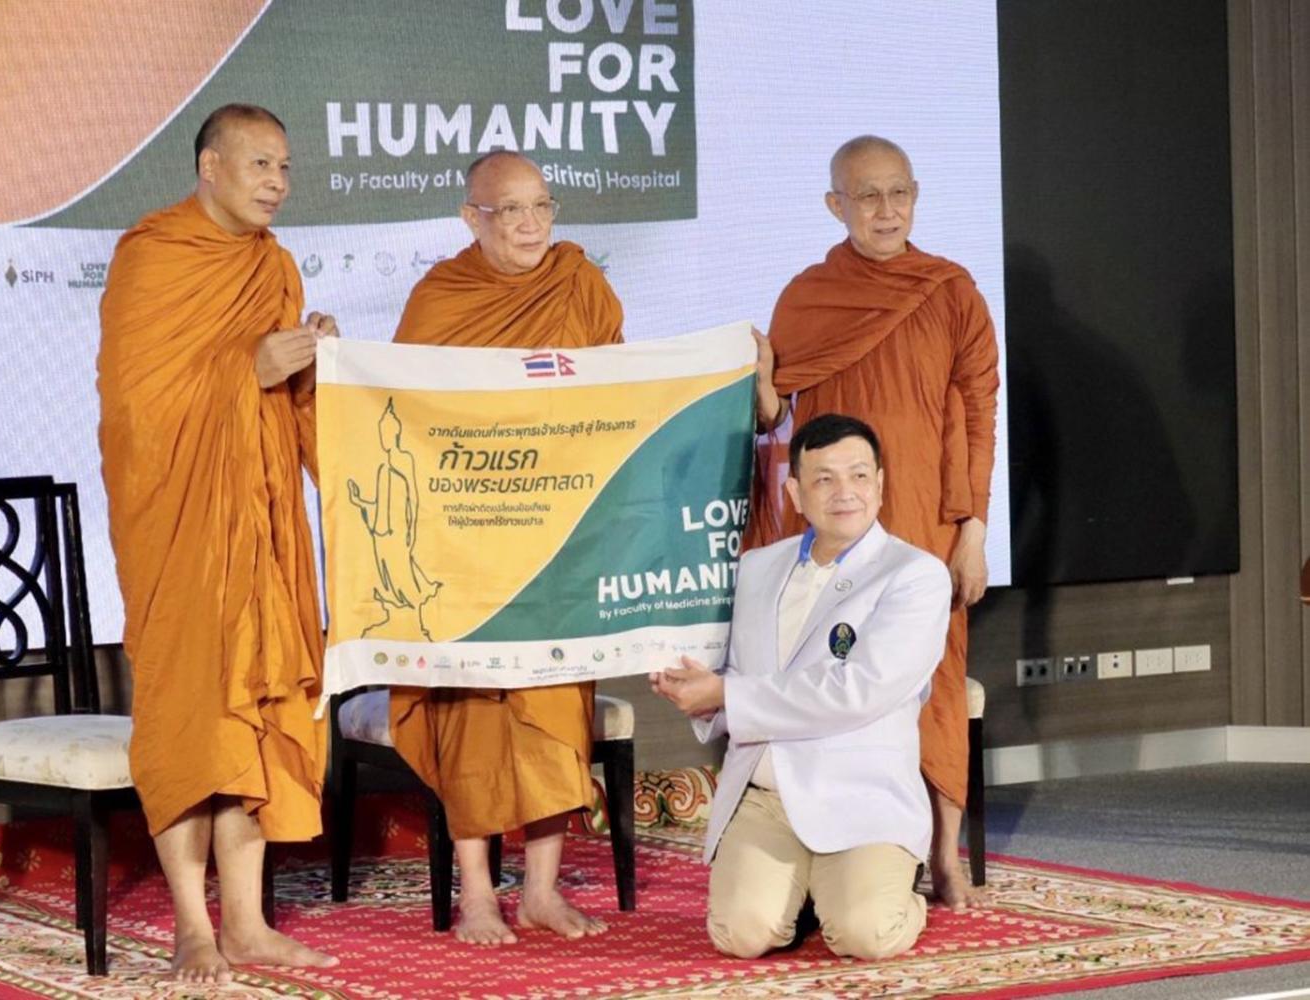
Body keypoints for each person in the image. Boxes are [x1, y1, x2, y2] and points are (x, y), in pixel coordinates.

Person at [97, 103, 338, 984]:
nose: (278, 182)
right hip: (180, 527)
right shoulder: (151, 256)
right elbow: (137, 407)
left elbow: (289, 413)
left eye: (285, 168)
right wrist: (249, 370)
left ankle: (247, 921)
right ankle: (191, 927)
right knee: (191, 711)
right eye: (261, 164)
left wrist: (312, 368)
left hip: (264, 529)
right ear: (209, 167)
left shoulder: (272, 265)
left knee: (262, 707)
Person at [750, 135, 1000, 909]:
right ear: (836, 205)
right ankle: (841, 846)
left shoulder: (950, 289)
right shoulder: (806, 296)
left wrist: (972, 529)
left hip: (924, 517)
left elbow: (977, 412)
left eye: (898, 193)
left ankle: (943, 856)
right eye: (867, 196)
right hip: (830, 529)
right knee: (829, 674)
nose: (885, 210)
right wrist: (756, 380)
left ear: (915, 196)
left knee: (936, 678)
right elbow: (770, 416)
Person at [388, 150, 622, 946]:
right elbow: (401, 408)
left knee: (557, 705)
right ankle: (480, 895)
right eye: (509, 211)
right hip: (466, 545)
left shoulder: (578, 283)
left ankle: (542, 891)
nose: (529, 225)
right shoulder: (442, 298)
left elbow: (619, 395)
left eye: (541, 208)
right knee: (475, 717)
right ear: (471, 218)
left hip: (557, 534)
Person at [653, 414, 950, 960]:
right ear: (794, 492)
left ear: (881, 484)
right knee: (740, 936)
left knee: (865, 936)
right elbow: (729, 674)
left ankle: (891, 891)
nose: (845, 493)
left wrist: (724, 696)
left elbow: (856, 690)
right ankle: (807, 896)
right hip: (767, 798)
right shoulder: (756, 569)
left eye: (860, 476)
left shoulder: (916, 575)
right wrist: (688, 684)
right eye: (824, 479)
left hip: (861, 794)